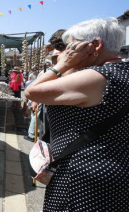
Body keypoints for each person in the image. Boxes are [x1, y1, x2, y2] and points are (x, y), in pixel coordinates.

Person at [25, 18, 129, 211]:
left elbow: (32, 91)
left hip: (82, 174)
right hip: (116, 170)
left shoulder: (98, 76)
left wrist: (61, 65)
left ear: (95, 45)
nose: (66, 52)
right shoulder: (122, 71)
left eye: (71, 46)